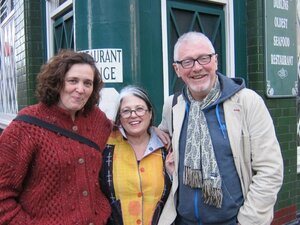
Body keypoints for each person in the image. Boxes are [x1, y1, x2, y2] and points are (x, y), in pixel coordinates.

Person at [158, 31, 284, 225]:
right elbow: (160, 137)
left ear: (215, 60)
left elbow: (270, 169)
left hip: (233, 221)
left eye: (204, 58)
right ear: (177, 69)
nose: (197, 67)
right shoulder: (173, 105)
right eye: (187, 62)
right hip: (184, 220)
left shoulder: (247, 102)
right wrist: (153, 131)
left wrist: (248, 221)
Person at [0, 50, 112, 224]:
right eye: (73, 81)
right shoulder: (27, 126)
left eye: (87, 83)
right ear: (57, 82)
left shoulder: (97, 119)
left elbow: (126, 129)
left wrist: (156, 131)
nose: (80, 89)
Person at [100, 85, 172, 225]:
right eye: (126, 111)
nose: (133, 115)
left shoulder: (166, 147)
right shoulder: (106, 147)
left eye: (139, 109)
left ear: (150, 113)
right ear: (119, 117)